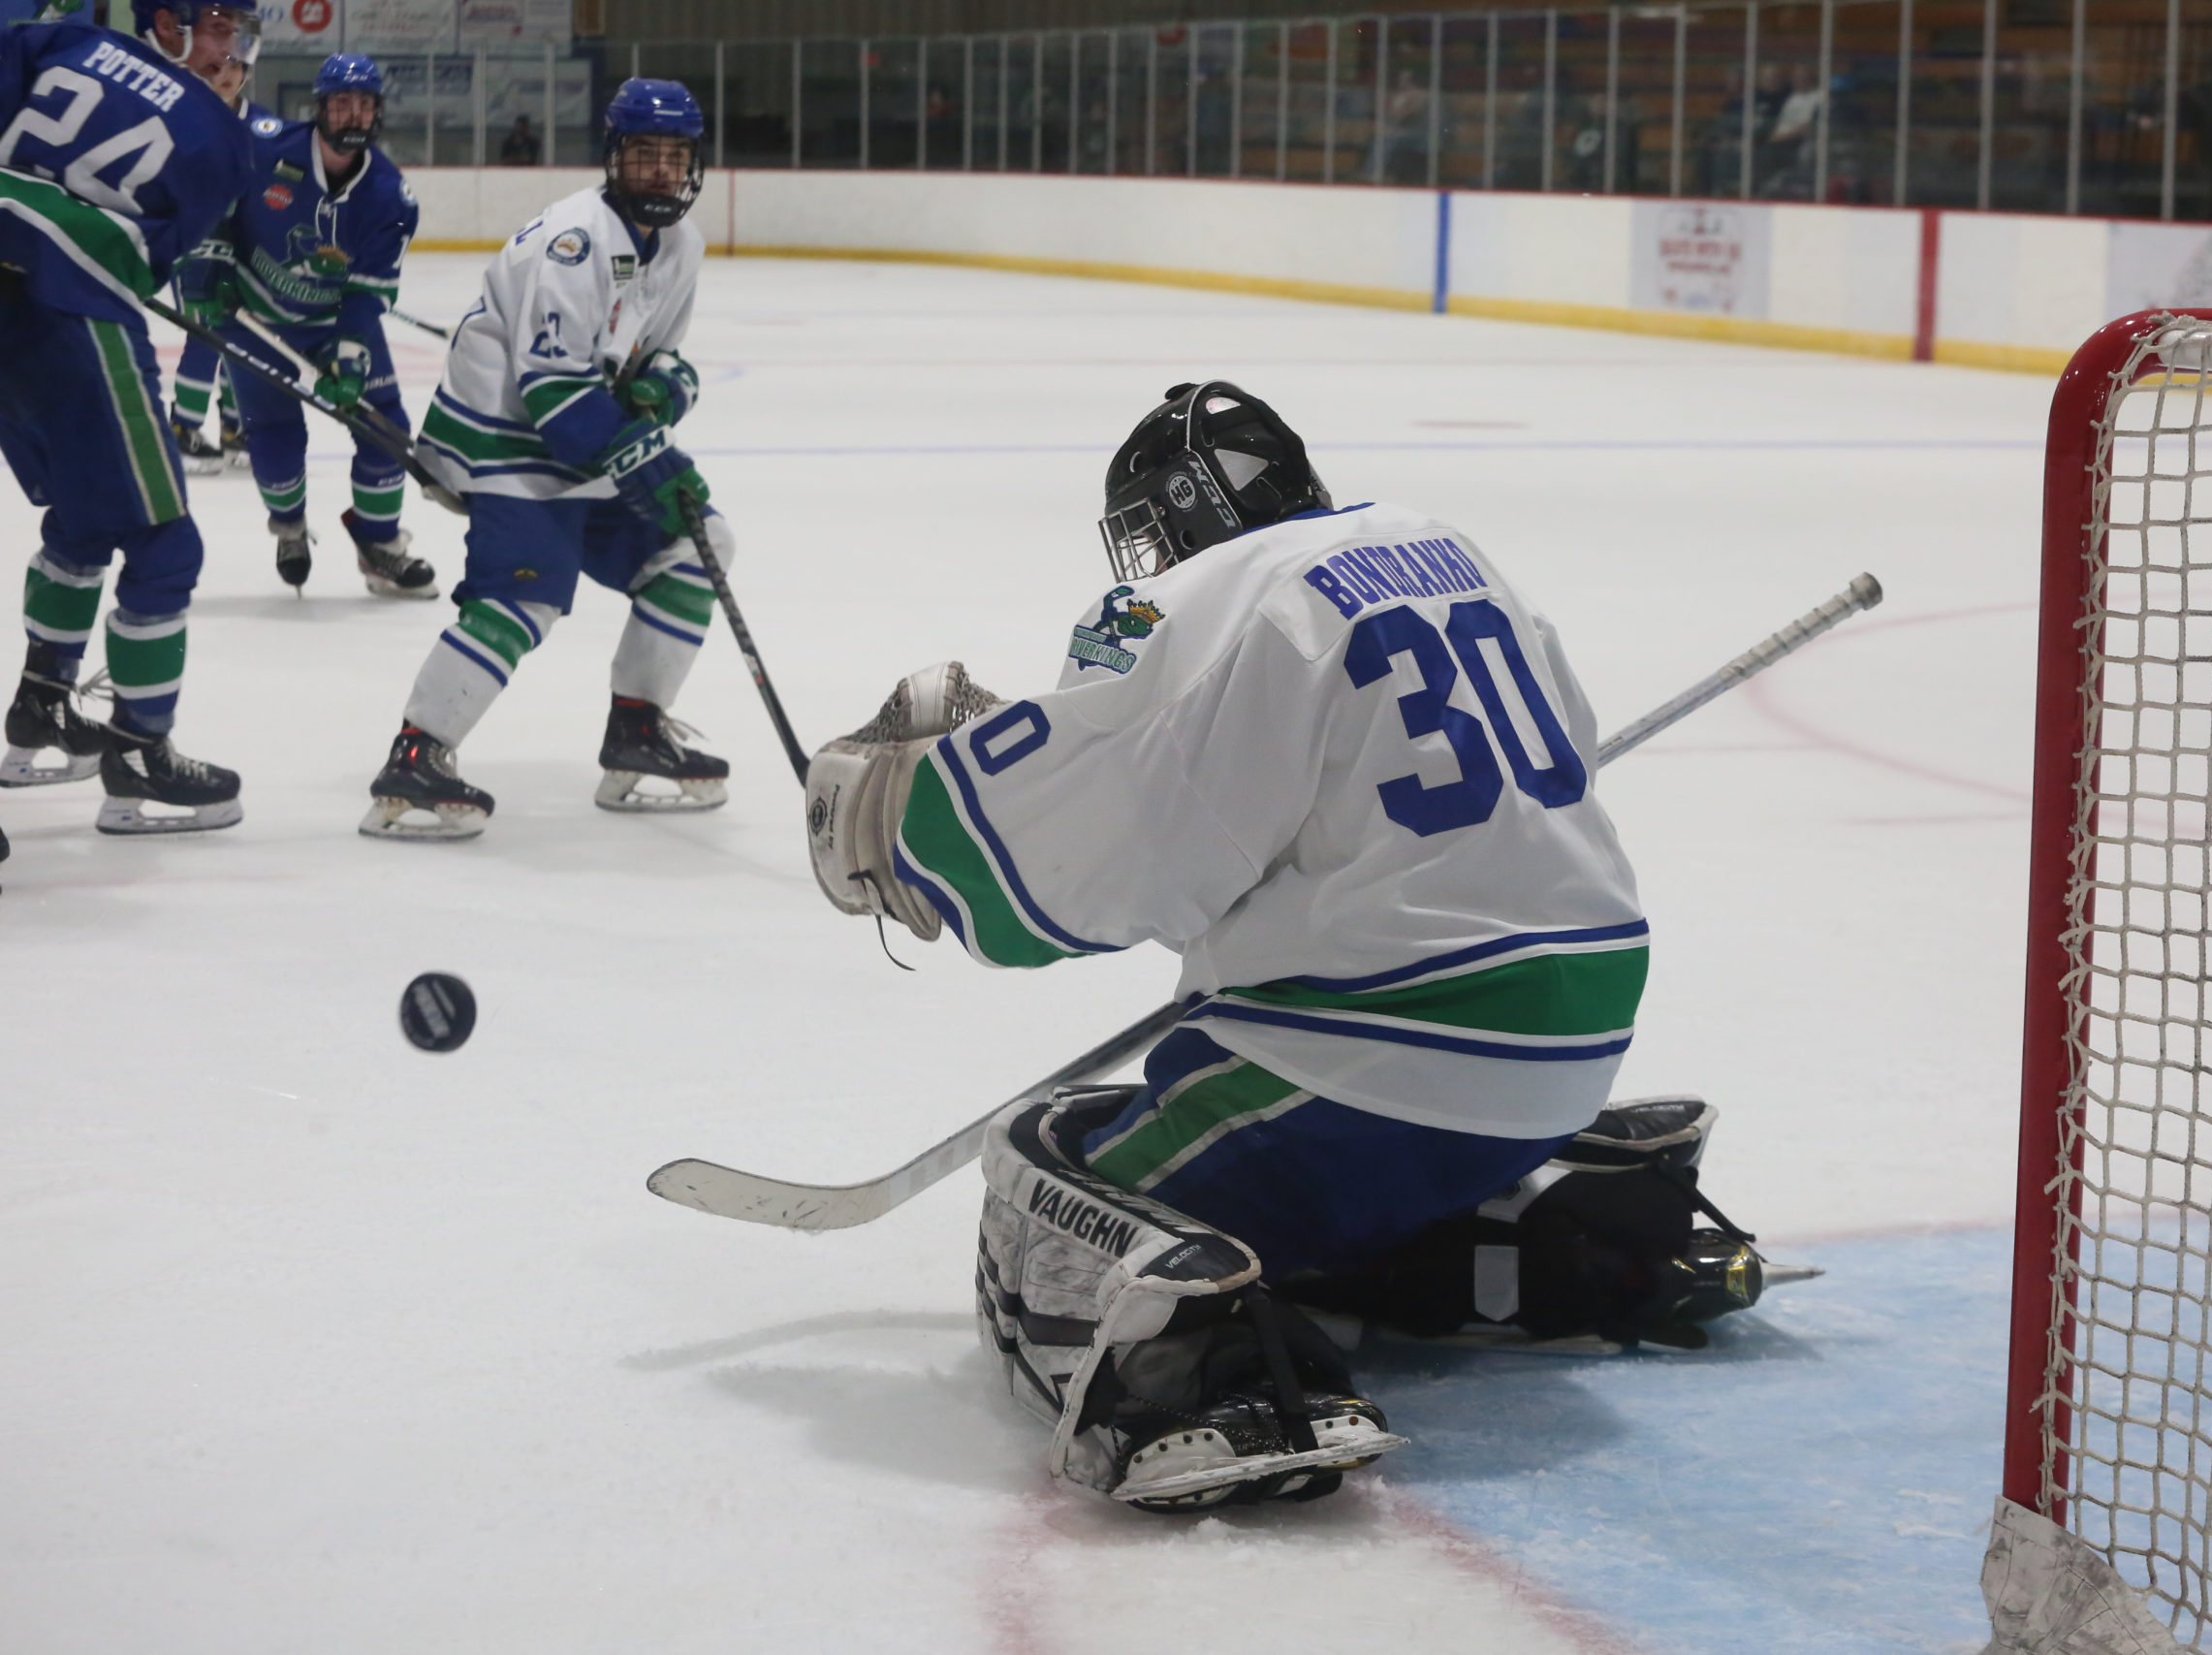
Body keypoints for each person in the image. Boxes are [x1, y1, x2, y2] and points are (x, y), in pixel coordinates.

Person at [802, 383, 1754, 1512]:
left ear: (1186, 512)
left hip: (1379, 1062)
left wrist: (919, 833)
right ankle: (1569, 1230)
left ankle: (1216, 1379)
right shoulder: (1444, 547)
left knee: (1052, 1175)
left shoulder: (1219, 597)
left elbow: (1093, 865)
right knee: (1323, 1166)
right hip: (1575, 1042)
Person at [361, 78, 728, 840]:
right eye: (646, 153)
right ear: (615, 156)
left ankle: (637, 728)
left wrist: (662, 393)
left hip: (578, 435)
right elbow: (552, 387)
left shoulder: (680, 245)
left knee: (699, 547)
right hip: (502, 435)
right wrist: (648, 456)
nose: (662, 170)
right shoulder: (576, 240)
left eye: (675, 156)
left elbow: (659, 358)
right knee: (525, 592)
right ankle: (416, 753)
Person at [0, 1, 259, 833]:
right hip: (67, 311)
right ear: (169, 25)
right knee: (163, 539)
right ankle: (140, 751)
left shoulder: (66, 38)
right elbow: (145, 263)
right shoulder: (223, 140)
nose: (230, 51)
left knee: (82, 514)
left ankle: (41, 704)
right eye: (219, 28)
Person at [179, 51, 431, 597]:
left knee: (385, 429)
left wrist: (349, 355)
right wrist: (207, 267)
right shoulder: (265, 149)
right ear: (320, 109)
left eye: (364, 105)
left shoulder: (390, 195)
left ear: (377, 112)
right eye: (342, 104)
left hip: (333, 320)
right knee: (275, 435)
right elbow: (213, 198)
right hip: (252, 316)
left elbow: (366, 292)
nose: (353, 115)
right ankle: (290, 527)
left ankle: (380, 546)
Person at [165, 42, 260, 475]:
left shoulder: (260, 126)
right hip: (194, 243)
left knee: (242, 337)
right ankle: (183, 428)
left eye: (235, 64)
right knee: (206, 332)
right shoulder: (183, 116)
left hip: (243, 249)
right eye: (218, 64)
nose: (226, 73)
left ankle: (235, 426)